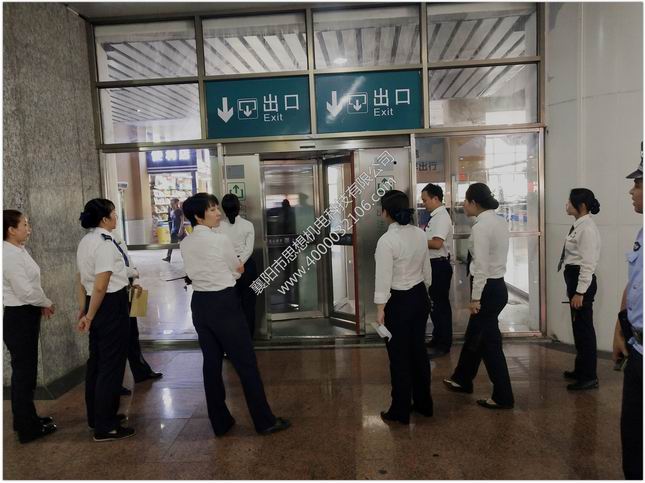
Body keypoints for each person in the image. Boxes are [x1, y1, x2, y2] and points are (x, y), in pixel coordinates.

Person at [180, 193, 290, 436]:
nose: (218, 213)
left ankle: (220, 422)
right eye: (212, 210)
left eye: (216, 208)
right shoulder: (220, 240)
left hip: (200, 304)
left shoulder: (185, 243)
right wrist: (232, 274)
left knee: (211, 364)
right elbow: (238, 267)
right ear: (198, 216)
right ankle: (265, 421)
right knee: (246, 363)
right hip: (224, 303)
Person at [443, 183, 514, 410]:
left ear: (474, 202)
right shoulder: (499, 221)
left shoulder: (482, 227)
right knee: (475, 335)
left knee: (489, 344)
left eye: (465, 200)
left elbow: (481, 266)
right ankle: (462, 378)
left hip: (487, 290)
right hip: (497, 286)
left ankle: (503, 396)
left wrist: (475, 298)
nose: (463, 205)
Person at [76, 198, 135, 441]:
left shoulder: (86, 241)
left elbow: (81, 280)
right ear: (104, 219)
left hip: (95, 302)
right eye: (113, 213)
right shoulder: (105, 244)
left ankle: (98, 416)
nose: (116, 217)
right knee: (111, 366)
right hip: (109, 304)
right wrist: (89, 316)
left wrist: (84, 310)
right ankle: (105, 426)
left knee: (98, 363)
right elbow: (101, 284)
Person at [374, 190, 433, 425]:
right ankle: (424, 404)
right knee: (418, 352)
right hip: (419, 297)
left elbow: (383, 278)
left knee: (399, 357)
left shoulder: (387, 241)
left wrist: (380, 308)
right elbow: (427, 269)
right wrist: (425, 291)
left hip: (398, 302)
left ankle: (400, 410)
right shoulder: (420, 234)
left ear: (385, 212)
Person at [3, 210, 57, 443]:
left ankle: (26, 418)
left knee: (25, 372)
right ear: (11, 230)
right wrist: (46, 302)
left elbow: (32, 285)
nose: (29, 228)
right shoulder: (9, 254)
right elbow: (24, 291)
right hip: (19, 317)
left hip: (26, 313)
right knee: (24, 374)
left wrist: (40, 302)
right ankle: (27, 428)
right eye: (24, 224)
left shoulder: (18, 250)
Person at [613, 153, 642, 480]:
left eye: (638, 184)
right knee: (633, 436)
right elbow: (633, 283)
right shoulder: (642, 234)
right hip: (637, 349)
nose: (632, 191)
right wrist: (620, 330)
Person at [558, 188, 601, 390]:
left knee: (584, 330)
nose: (566, 205)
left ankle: (589, 376)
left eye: (569, 201)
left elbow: (588, 263)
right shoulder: (579, 225)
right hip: (574, 279)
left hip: (580, 282)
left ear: (581, 206)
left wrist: (580, 291)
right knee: (579, 327)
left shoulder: (587, 229)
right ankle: (580, 369)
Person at [117, 236, 163, 389]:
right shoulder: (102, 241)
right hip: (114, 294)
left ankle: (141, 371)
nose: (115, 222)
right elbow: (115, 268)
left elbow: (128, 259)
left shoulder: (116, 237)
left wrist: (134, 281)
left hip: (126, 288)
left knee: (132, 333)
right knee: (119, 338)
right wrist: (132, 272)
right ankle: (114, 384)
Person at [214, 194, 257, 337]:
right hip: (247, 267)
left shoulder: (218, 227)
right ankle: (248, 338)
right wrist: (240, 262)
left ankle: (233, 338)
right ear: (239, 207)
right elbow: (249, 249)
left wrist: (233, 263)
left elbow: (219, 249)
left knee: (230, 304)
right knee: (249, 303)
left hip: (226, 268)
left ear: (223, 209)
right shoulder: (248, 225)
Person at [421, 183, 454, 359]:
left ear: (435, 198)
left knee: (440, 306)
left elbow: (436, 243)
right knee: (435, 305)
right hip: (433, 265)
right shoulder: (435, 216)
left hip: (439, 266)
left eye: (425, 200)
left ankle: (443, 344)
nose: (423, 203)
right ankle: (437, 337)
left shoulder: (441, 217)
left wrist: (417, 240)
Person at [162, 198, 185, 263]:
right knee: (171, 244)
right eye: (171, 203)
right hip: (174, 230)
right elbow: (172, 221)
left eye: (172, 203)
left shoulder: (179, 211)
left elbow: (182, 220)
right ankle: (168, 257)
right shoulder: (171, 211)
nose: (171, 204)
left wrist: (181, 229)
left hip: (179, 230)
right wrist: (171, 230)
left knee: (185, 243)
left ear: (176, 203)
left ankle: (189, 256)